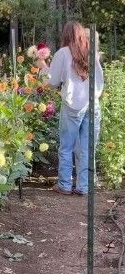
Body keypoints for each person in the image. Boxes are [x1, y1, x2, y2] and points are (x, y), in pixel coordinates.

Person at [36, 21, 103, 196]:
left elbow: (52, 82)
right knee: (87, 148)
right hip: (92, 104)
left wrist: (43, 68)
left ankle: (65, 185)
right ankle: (84, 186)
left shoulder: (63, 53)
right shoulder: (91, 52)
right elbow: (98, 80)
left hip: (72, 105)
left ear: (66, 35)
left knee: (66, 147)